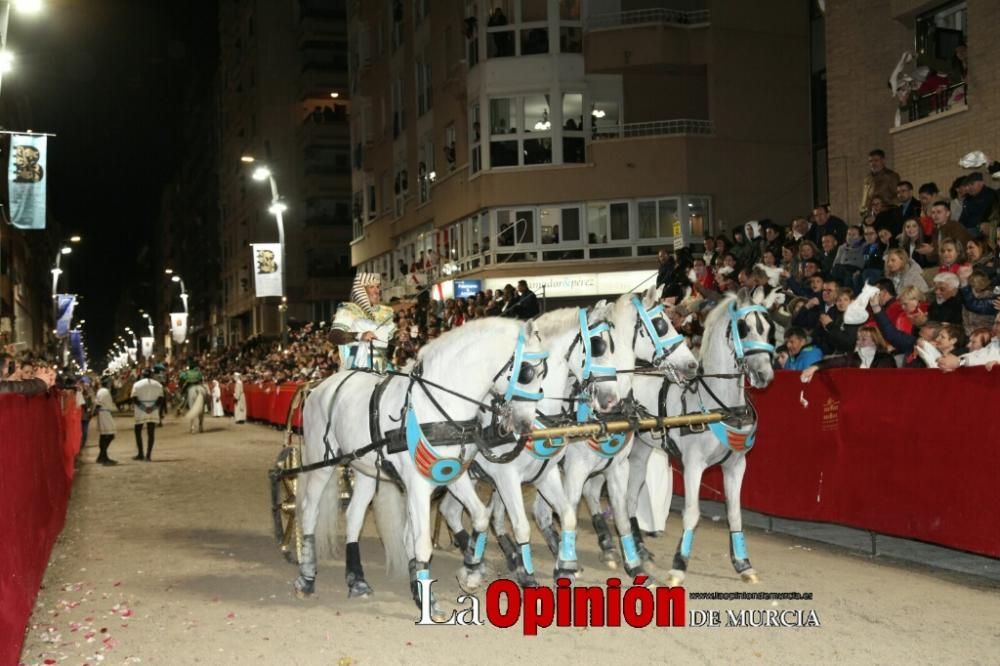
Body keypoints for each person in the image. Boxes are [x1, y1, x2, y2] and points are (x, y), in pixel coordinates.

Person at [330, 272, 397, 371]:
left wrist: (401, 336)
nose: (377, 291)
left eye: (378, 287)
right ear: (361, 290)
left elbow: (392, 337)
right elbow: (334, 335)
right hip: (356, 364)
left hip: (381, 364)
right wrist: (360, 336)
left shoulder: (384, 312)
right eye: (371, 287)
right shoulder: (349, 310)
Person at [131, 368, 164, 461]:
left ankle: (140, 453)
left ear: (142, 375)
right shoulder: (158, 385)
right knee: (151, 432)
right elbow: (161, 399)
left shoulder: (136, 385)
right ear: (152, 375)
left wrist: (143, 408)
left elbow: (134, 399)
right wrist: (152, 408)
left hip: (140, 410)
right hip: (153, 410)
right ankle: (148, 455)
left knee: (138, 431)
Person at [859, 149, 900, 219]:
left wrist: (883, 205)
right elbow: (866, 198)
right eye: (870, 161)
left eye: (876, 160)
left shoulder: (891, 176)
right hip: (871, 215)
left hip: (888, 215)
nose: (873, 164)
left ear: (883, 161)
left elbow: (898, 196)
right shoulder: (867, 179)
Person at [94, 377, 119, 466]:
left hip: (104, 413)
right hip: (104, 413)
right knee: (108, 435)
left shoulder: (103, 391)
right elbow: (98, 404)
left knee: (105, 436)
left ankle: (102, 456)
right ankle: (103, 457)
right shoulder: (104, 391)